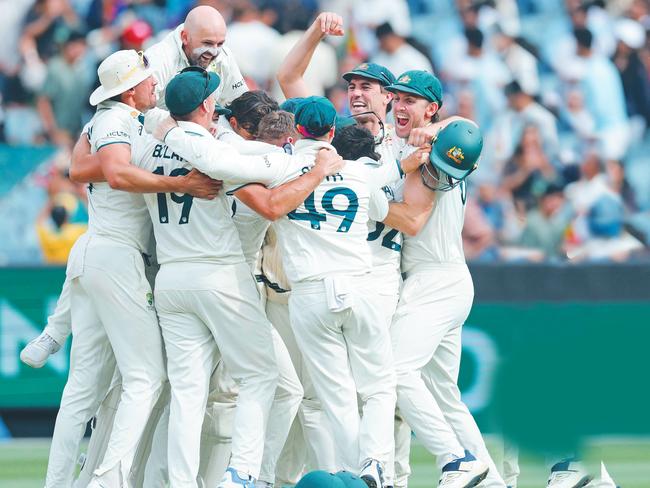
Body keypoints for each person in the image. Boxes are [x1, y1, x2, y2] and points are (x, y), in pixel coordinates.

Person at [148, 71, 345, 488]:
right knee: (261, 377)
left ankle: (182, 482)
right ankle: (243, 475)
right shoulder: (234, 154)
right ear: (206, 107)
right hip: (221, 274)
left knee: (188, 390)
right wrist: (312, 164)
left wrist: (163, 125)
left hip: (171, 275)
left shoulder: (153, 142)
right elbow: (243, 176)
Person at [43, 49, 220, 488]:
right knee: (145, 377)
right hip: (120, 257)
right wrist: (182, 184)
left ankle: (66, 482)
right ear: (128, 90)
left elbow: (78, 169)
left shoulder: (109, 121)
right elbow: (118, 175)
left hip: (101, 255)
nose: (154, 84)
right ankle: (108, 478)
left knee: (87, 390)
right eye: (146, 80)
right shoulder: (116, 121)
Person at [380, 70, 502, 488]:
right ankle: (492, 481)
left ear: (432, 108)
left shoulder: (448, 143)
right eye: (396, 98)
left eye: (410, 100)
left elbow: (466, 127)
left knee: (394, 373)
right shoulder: (407, 143)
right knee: (446, 398)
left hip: (435, 280)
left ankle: (456, 461)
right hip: (441, 280)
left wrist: (429, 128)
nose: (400, 105)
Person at [144, 5, 248, 110]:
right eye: (207, 43)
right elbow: (141, 110)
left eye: (220, 44)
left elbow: (240, 102)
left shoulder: (224, 55)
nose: (214, 52)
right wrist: (182, 123)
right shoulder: (159, 58)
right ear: (184, 37)